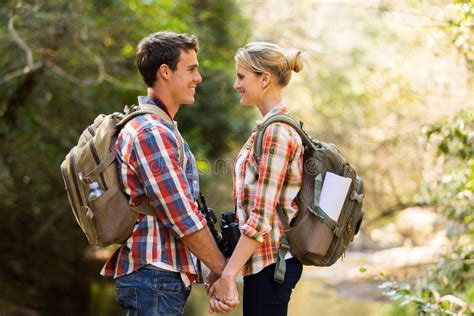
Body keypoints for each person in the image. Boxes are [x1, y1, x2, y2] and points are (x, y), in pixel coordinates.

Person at [100, 31, 231, 316]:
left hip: (158, 279)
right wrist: (224, 270)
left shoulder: (162, 126)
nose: (198, 78)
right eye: (191, 69)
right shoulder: (151, 131)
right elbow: (182, 215)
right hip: (154, 278)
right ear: (165, 72)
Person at [208, 42, 307, 315]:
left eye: (241, 76)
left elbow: (261, 218)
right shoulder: (266, 129)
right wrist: (227, 269)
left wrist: (228, 275)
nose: (235, 84)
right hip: (263, 266)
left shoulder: (276, 132)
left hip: (271, 267)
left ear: (264, 79)